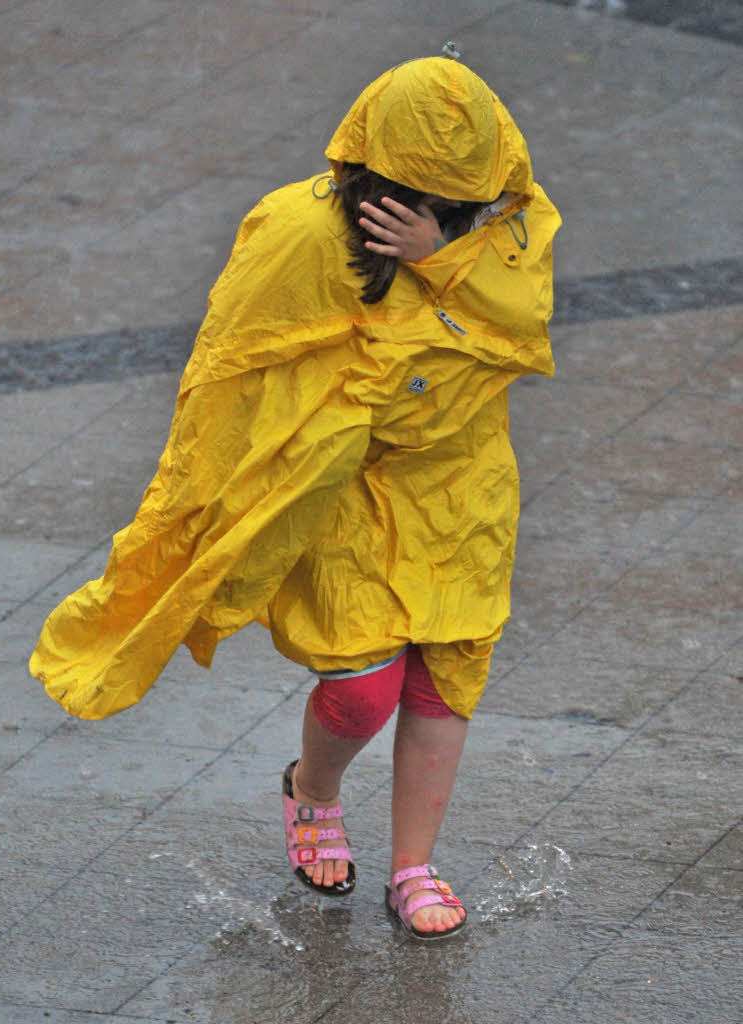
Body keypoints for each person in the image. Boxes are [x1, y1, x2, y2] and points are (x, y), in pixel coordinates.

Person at [30, 56, 561, 941]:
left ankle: (412, 866)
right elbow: (232, 369)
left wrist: (443, 264)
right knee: (363, 689)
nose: (433, 212)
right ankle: (313, 790)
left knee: (445, 674)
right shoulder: (295, 229)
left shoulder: (508, 223)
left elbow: (520, 330)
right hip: (336, 488)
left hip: (455, 485)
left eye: (451, 199)